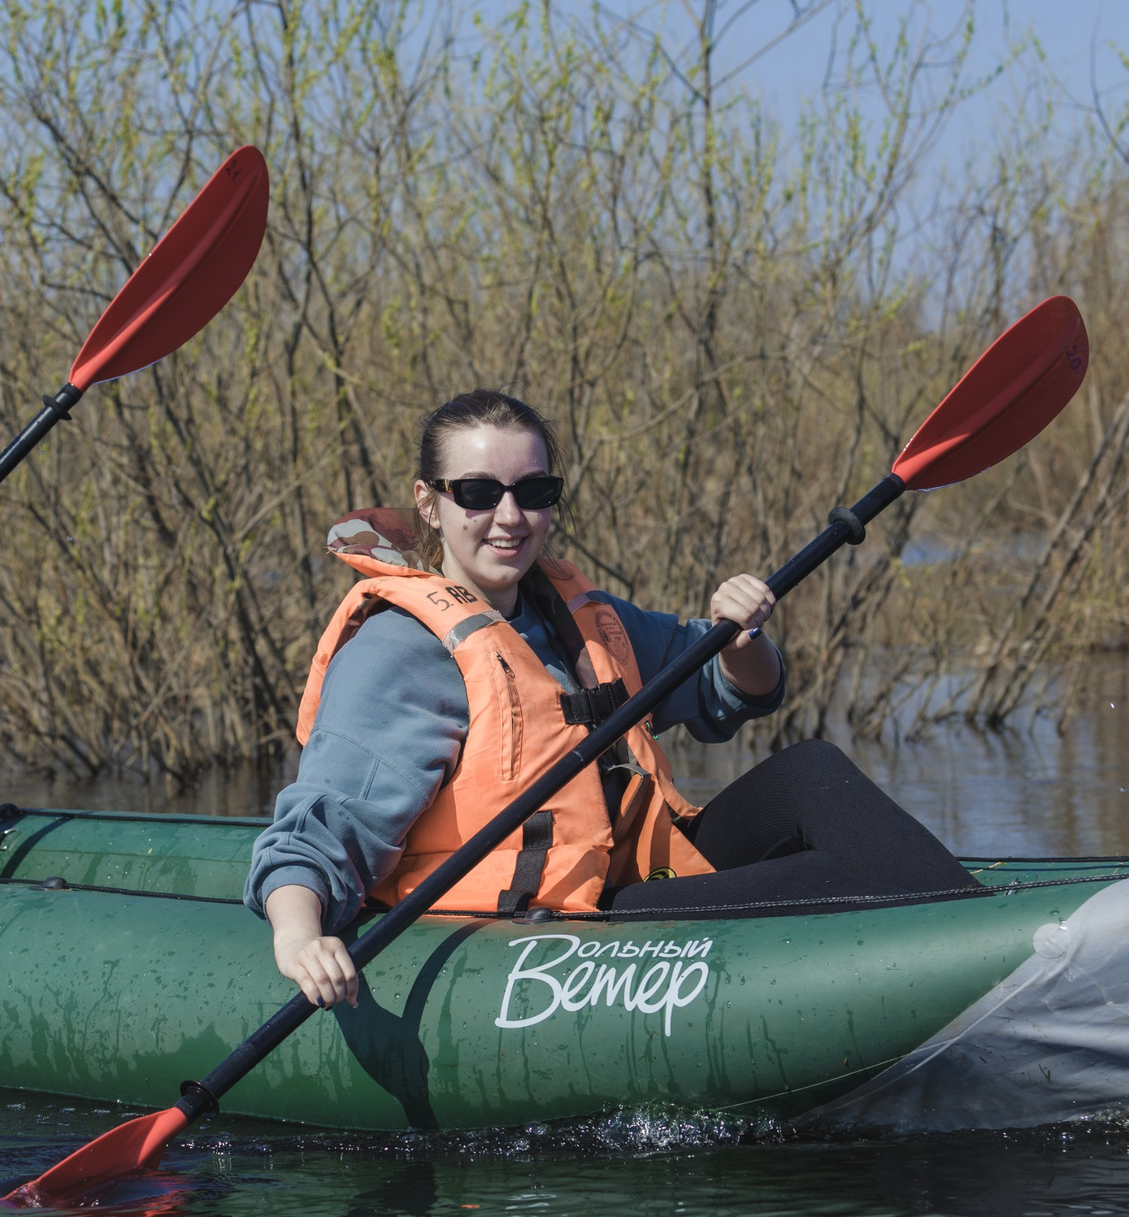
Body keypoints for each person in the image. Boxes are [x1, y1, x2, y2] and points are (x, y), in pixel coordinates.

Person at [247, 389, 978, 1008]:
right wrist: (299, 936)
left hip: (630, 879)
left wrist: (741, 640)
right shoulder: (400, 651)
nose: (509, 516)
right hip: (535, 929)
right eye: (477, 492)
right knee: (828, 879)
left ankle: (984, 934)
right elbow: (318, 832)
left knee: (810, 770)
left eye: (533, 492)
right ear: (429, 503)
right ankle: (979, 956)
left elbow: (730, 693)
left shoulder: (576, 613)